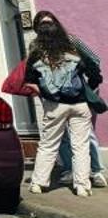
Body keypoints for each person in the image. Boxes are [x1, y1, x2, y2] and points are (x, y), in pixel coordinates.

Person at [23, 12, 100, 198]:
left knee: (48, 144)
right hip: (79, 103)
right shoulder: (72, 44)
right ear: (57, 25)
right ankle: (82, 186)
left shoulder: (36, 50)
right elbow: (94, 63)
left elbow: (29, 80)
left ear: (37, 30)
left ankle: (38, 183)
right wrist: (90, 85)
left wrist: (46, 93)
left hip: (54, 106)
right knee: (80, 145)